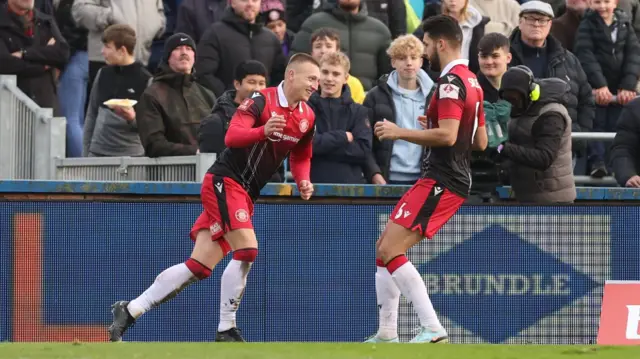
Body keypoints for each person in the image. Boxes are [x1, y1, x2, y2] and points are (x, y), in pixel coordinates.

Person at [107, 53, 320, 343]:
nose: (316, 86)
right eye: (311, 78)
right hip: (224, 181)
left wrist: (303, 179)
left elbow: (301, 156)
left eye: (318, 81)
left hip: (244, 193)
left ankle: (129, 310)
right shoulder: (261, 100)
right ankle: (226, 328)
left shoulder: (307, 116)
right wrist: (262, 131)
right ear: (291, 75)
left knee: (199, 266)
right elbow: (232, 136)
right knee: (247, 250)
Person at [366, 15, 488, 343]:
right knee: (383, 249)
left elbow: (448, 137)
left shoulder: (448, 83)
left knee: (390, 248)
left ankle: (432, 327)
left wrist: (399, 131)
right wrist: (432, 120)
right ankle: (387, 333)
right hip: (447, 178)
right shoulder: (472, 81)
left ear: (441, 43)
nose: (426, 51)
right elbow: (480, 141)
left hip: (442, 179)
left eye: (428, 45)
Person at [362, 34, 435, 185]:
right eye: (402, 58)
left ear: (421, 61)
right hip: (386, 179)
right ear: (393, 62)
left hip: (425, 181)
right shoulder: (375, 96)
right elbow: (364, 140)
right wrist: (374, 174)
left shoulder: (436, 95)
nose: (409, 63)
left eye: (413, 57)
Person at [136, 33, 216, 157]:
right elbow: (154, 145)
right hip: (170, 173)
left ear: (194, 57)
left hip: (208, 172)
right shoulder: (152, 95)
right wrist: (196, 152)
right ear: (168, 57)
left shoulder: (207, 94)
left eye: (189, 49)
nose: (184, 52)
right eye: (177, 48)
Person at [83, 24, 152, 157]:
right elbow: (91, 115)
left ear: (122, 51)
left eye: (108, 47)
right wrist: (86, 155)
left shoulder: (146, 80)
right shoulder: (102, 74)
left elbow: (151, 127)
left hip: (132, 158)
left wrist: (132, 118)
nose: (103, 51)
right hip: (97, 155)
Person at [309, 51, 372, 184]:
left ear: (346, 78)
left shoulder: (358, 111)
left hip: (350, 190)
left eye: (336, 74)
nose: (329, 78)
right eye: (325, 72)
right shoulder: (305, 108)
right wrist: (342, 137)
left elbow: (362, 151)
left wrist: (322, 146)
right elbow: (304, 145)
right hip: (311, 188)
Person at [198, 60, 268, 154]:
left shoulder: (268, 118)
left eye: (261, 83)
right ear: (237, 84)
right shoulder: (217, 122)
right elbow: (210, 162)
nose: (257, 89)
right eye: (251, 82)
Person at [309, 28, 366, 104]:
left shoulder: (353, 84)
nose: (323, 50)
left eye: (328, 46)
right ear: (311, 52)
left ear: (338, 50)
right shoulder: (303, 81)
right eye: (318, 46)